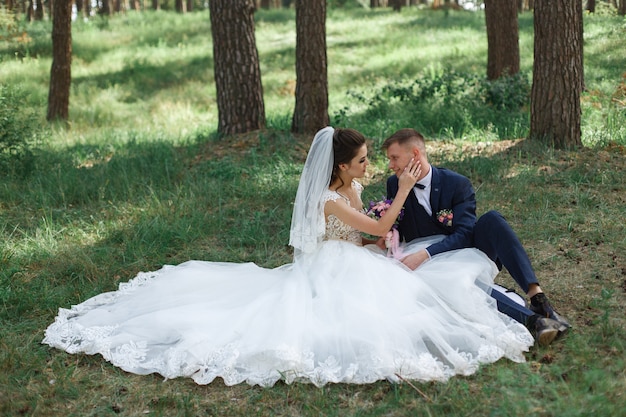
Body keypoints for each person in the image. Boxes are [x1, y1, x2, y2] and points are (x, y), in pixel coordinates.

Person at [43, 127, 533, 388]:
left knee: (406, 287)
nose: (371, 166)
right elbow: (382, 223)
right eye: (363, 159)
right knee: (364, 311)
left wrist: (379, 244)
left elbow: (371, 234)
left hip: (355, 256)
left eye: (371, 159)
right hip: (329, 266)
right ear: (341, 165)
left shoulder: (356, 189)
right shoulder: (329, 198)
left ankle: (521, 306)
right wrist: (402, 192)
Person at [382, 128, 571, 346]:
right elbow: (393, 225)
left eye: (394, 158)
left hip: (462, 252)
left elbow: (464, 234)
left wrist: (425, 254)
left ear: (415, 154)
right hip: (430, 269)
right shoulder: (394, 185)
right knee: (457, 279)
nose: (391, 165)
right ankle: (535, 321)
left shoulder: (456, 183)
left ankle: (538, 298)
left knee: (492, 220)